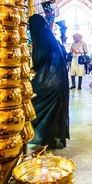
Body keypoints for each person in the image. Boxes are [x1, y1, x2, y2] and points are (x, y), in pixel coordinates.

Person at [28, 14, 69, 149]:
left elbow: (38, 60)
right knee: (53, 112)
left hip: (47, 81)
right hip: (58, 81)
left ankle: (38, 137)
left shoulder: (41, 41)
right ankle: (49, 139)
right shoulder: (52, 41)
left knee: (33, 107)